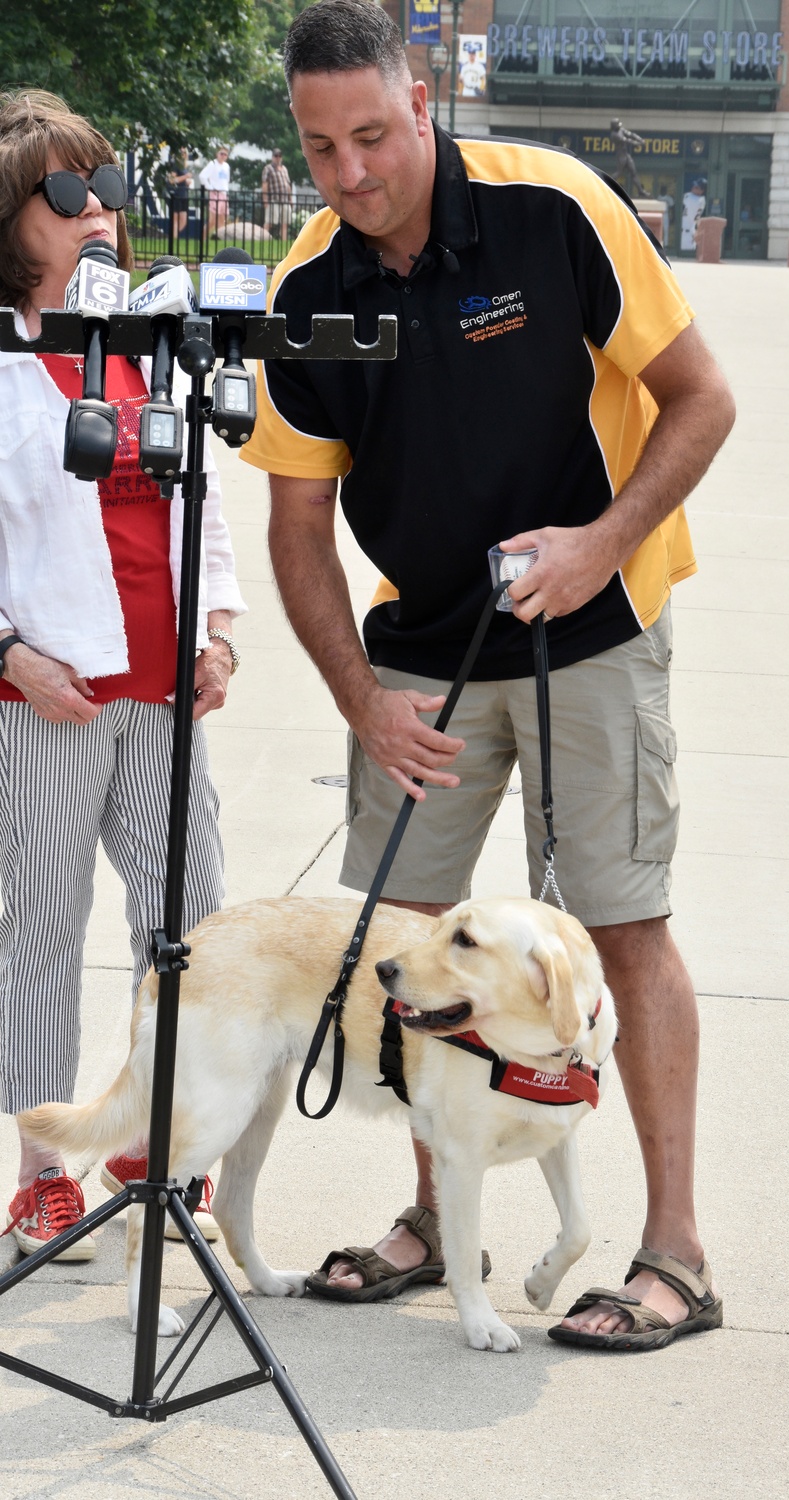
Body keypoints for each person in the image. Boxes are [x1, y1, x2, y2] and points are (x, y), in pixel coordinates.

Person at [241, 0, 735, 1351]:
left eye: (374, 136)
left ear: (422, 103)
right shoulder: (309, 288)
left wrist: (602, 542)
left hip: (594, 626)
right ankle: (432, 1223)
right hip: (419, 663)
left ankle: (675, 1256)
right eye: (321, 147)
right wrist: (359, 699)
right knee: (411, 957)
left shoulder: (552, 207)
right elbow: (295, 524)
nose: (352, 173)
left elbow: (703, 399)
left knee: (620, 930)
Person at [0, 90, 247, 1260]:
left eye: (104, 187)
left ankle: (157, 1140)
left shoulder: (151, 341)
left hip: (163, 689)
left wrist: (223, 630)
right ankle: (43, 1170)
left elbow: (209, 506)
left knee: (186, 925)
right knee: (41, 929)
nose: (95, 209)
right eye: (63, 192)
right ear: (13, 217)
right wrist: (7, 657)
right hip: (45, 697)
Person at [199, 144, 230, 239]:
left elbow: (226, 180)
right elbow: (202, 176)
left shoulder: (226, 166)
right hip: (215, 193)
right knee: (212, 220)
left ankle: (219, 238)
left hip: (224, 193)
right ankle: (203, 237)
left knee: (222, 219)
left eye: (225, 154)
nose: (223, 156)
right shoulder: (212, 164)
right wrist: (210, 187)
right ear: (217, 154)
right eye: (221, 154)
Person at [262, 146, 293, 240]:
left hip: (285, 200)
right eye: (276, 155)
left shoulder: (284, 169)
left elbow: (287, 185)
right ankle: (263, 239)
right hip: (273, 199)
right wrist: (265, 199)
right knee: (269, 222)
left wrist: (290, 199)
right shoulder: (268, 168)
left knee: (285, 223)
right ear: (272, 157)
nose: (278, 157)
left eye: (279, 155)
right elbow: (264, 184)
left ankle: (283, 241)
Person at [610, 116, 643, 198]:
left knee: (633, 172)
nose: (620, 126)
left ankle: (641, 191)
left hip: (626, 154)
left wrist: (639, 139)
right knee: (619, 172)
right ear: (614, 126)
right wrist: (638, 144)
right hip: (621, 155)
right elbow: (626, 140)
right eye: (618, 125)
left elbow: (630, 134)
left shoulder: (621, 130)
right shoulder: (614, 135)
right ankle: (608, 183)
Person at [166, 146, 193, 241]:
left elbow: (182, 180)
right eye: (181, 153)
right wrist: (185, 177)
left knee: (183, 220)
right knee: (175, 219)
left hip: (184, 194)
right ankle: (174, 238)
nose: (183, 155)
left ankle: (173, 236)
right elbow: (172, 180)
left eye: (184, 153)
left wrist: (187, 181)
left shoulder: (184, 166)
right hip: (176, 194)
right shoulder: (175, 165)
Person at [682, 175, 707, 252]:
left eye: (697, 187)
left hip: (687, 233)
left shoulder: (696, 199)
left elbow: (685, 198)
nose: (693, 188)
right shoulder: (702, 200)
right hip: (689, 232)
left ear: (702, 191)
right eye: (694, 186)